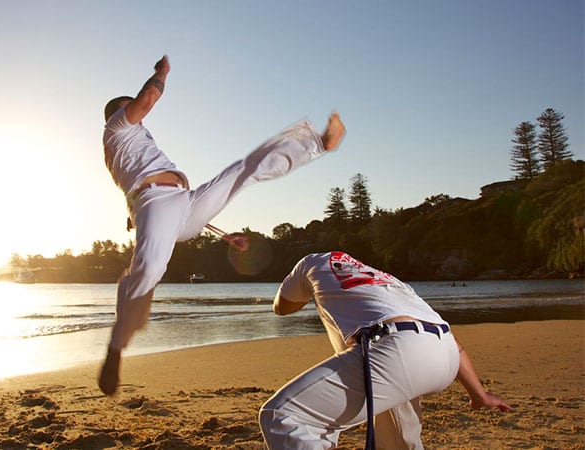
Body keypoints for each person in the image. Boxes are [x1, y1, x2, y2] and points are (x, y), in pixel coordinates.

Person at [98, 55, 346, 395]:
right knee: (148, 270)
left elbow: (150, 198)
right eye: (132, 112)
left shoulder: (131, 145)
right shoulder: (117, 128)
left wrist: (223, 234)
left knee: (242, 170)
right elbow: (147, 100)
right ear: (116, 114)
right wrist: (162, 72)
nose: (141, 120)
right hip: (155, 204)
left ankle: (317, 142)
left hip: (181, 204)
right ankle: (115, 349)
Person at [259, 251, 511, 449]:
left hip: (396, 349)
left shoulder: (311, 262)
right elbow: (455, 346)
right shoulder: (389, 281)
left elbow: (282, 308)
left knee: (283, 416)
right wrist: (479, 394)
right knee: (397, 438)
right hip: (444, 353)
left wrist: (305, 288)